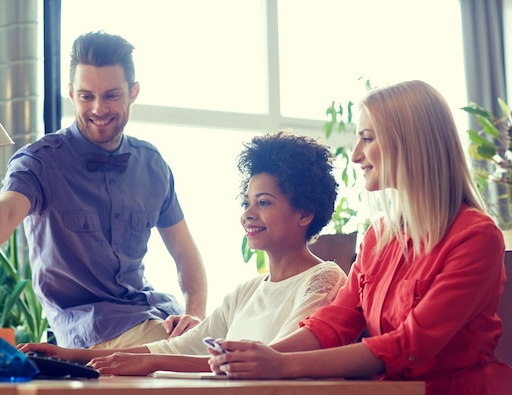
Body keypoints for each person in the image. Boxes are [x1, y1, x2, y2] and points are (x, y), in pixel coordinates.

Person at [207, 81, 512, 394]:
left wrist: (281, 364)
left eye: (367, 139)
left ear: (410, 143)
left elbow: (411, 344)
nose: (355, 155)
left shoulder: (476, 237)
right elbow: (333, 325)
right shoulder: (377, 238)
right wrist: (260, 356)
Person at [18, 131, 348, 376]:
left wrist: (154, 361)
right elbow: (176, 347)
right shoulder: (245, 292)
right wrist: (64, 354)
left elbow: (268, 361)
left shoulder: (324, 279)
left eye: (263, 202)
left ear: (305, 213)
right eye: (246, 202)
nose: (248, 214)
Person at [0, 31, 208, 349]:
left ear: (133, 93)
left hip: (155, 315)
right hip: (93, 328)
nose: (98, 108)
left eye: (111, 95)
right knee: (199, 358)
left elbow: (185, 253)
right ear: (71, 94)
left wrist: (194, 314)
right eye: (86, 96)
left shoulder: (152, 165)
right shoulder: (40, 162)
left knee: (235, 346)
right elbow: (4, 213)